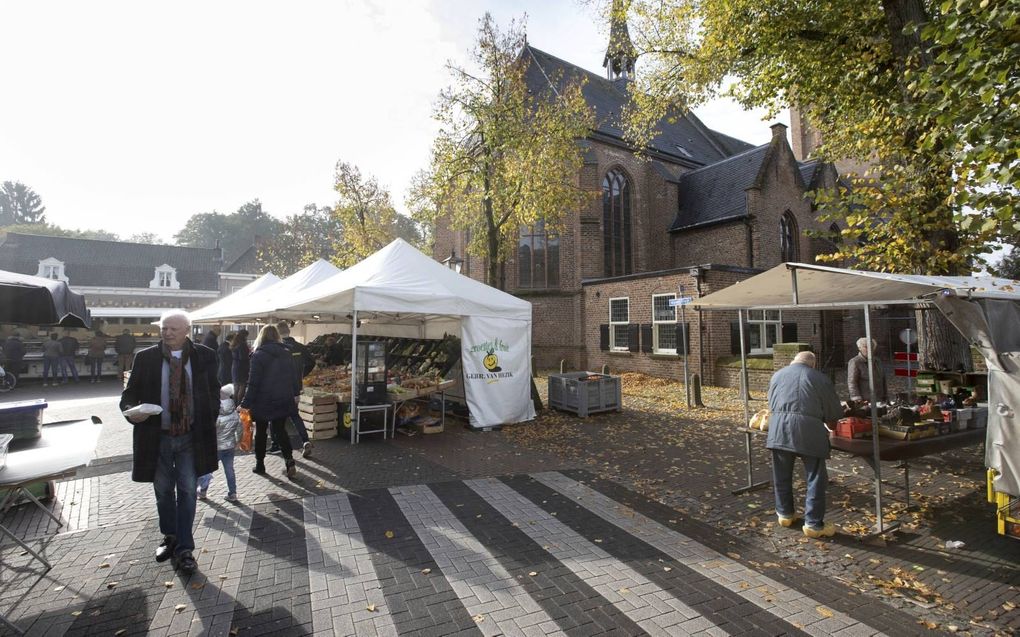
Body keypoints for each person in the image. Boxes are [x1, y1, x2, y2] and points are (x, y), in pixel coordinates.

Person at [120, 309, 219, 575]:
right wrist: (132, 411)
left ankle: (185, 548)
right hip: (157, 436)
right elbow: (129, 394)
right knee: (163, 491)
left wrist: (210, 417)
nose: (167, 333)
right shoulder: (146, 358)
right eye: (164, 328)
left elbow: (214, 392)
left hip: (190, 436)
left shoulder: (205, 356)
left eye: (173, 329)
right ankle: (170, 535)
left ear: (187, 330)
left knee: (188, 490)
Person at [766, 351, 843, 538]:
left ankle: (784, 514)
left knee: (782, 474)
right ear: (813, 364)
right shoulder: (820, 378)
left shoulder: (777, 375)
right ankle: (813, 524)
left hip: (778, 431)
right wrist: (832, 424)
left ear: (794, 361)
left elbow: (771, 403)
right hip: (808, 432)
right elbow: (832, 413)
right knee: (815, 477)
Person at [240, 325, 301, 479]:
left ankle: (260, 464)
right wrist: (295, 393)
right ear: (277, 336)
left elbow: (253, 383)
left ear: (261, 336)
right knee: (281, 431)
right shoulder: (287, 353)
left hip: (262, 400)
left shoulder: (258, 355)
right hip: (282, 397)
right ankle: (290, 461)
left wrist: (245, 403)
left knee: (261, 433)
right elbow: (294, 375)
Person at [276, 321, 316, 458]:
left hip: (280, 388)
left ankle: (277, 445)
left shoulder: (278, 348)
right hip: (295, 387)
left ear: (278, 333)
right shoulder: (300, 347)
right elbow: (312, 362)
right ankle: (305, 440)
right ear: (289, 331)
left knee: (277, 417)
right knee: (295, 415)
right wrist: (302, 374)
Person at [197, 383, 241, 502]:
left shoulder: (216, 415)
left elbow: (210, 431)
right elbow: (239, 429)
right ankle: (233, 493)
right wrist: (238, 441)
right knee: (230, 470)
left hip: (216, 447)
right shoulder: (235, 413)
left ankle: (203, 491)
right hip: (230, 446)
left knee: (207, 469)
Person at [848, 337, 887, 404]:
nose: (870, 349)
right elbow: (852, 382)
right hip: (865, 401)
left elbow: (883, 380)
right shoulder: (855, 362)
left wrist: (886, 396)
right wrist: (857, 398)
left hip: (879, 400)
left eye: (872, 347)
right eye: (866, 347)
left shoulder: (877, 361)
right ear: (859, 348)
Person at [231, 329, 251, 405]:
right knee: (242, 386)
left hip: (235, 366)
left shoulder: (235, 343)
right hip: (242, 368)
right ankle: (239, 404)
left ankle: (234, 404)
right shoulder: (243, 344)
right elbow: (243, 358)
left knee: (236, 387)